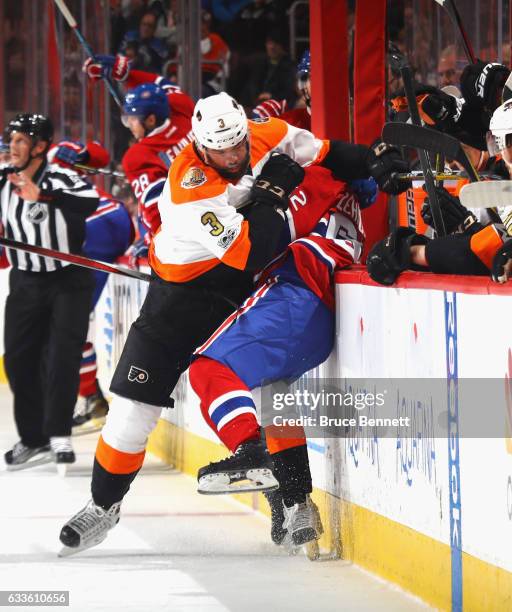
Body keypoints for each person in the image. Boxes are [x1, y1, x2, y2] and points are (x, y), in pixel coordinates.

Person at [58, 91, 411, 556]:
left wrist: (372, 160)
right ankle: (104, 505)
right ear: (199, 146)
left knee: (269, 383)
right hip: (179, 302)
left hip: (240, 286)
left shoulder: (266, 135)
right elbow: (251, 250)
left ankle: (291, 499)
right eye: (219, 150)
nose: (231, 156)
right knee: (129, 415)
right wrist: (272, 195)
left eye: (237, 146)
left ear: (246, 132)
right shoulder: (190, 186)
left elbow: (327, 152)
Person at [189, 176, 368, 551]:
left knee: (208, 369)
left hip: (290, 294)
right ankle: (296, 501)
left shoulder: (311, 180)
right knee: (275, 393)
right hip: (316, 317)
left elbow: (251, 244)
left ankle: (254, 455)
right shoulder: (345, 194)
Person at [0, 114, 99, 470]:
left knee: (61, 357)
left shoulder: (60, 175)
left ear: (40, 147)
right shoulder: (2, 178)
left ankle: (58, 433)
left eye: (21, 141)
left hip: (68, 280)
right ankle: (33, 438)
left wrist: (41, 195)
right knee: (17, 360)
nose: (13, 147)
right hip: (25, 282)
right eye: (11, 140)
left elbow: (89, 201)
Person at [49, 140, 136, 430]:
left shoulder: (46, 156)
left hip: (94, 226)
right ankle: (91, 397)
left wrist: (80, 155)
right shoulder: (37, 159)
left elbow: (98, 154)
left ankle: (88, 397)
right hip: (110, 219)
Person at [83, 56, 194, 237]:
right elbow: (162, 83)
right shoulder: (181, 106)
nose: (129, 125)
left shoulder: (139, 156)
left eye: (132, 120)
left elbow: (157, 218)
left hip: (188, 231)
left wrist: (153, 245)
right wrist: (127, 76)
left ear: (150, 120)